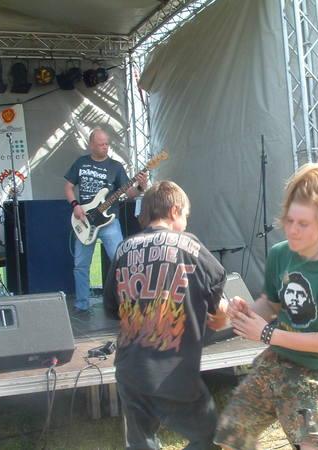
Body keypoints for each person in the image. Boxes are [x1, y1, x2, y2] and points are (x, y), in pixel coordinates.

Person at [214, 146, 318, 450]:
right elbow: (271, 304)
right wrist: (246, 311)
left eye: (303, 224)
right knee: (231, 437)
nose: (292, 231)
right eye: (289, 220)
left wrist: (266, 333)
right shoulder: (280, 255)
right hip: (280, 359)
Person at [104, 180, 228, 449]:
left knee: (141, 444)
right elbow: (217, 291)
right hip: (172, 371)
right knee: (209, 437)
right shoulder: (189, 244)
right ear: (174, 211)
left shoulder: (123, 249)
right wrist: (221, 315)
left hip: (129, 369)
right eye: (186, 215)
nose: (186, 221)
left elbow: (112, 308)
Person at [64, 128, 148, 314]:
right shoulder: (81, 163)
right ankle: (82, 303)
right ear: (91, 145)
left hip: (109, 222)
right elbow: (68, 187)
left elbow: (129, 194)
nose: (105, 147)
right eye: (101, 144)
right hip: (85, 220)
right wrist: (75, 205)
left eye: (107, 144)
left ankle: (127, 303)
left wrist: (140, 187)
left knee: (121, 262)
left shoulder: (116, 167)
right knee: (80, 265)